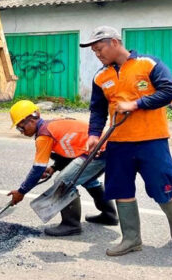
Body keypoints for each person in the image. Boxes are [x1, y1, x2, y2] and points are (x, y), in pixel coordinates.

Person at [82, 26, 172, 256]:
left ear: (115, 42)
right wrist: (93, 135)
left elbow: (170, 91)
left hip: (152, 139)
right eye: (94, 51)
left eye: (99, 49)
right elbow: (97, 110)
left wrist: (136, 104)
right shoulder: (101, 76)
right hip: (118, 142)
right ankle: (131, 238)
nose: (97, 54)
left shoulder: (148, 64)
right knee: (120, 188)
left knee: (163, 185)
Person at [7, 100, 118, 236]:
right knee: (88, 180)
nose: (21, 132)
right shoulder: (51, 126)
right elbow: (70, 152)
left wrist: (21, 192)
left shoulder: (44, 135)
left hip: (98, 151)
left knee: (64, 181)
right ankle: (109, 214)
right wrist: (54, 167)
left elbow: (37, 169)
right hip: (107, 149)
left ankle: (71, 224)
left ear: (30, 120)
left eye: (20, 127)